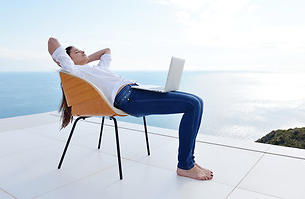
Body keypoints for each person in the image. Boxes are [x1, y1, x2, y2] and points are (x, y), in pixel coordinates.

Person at [48, 37, 213, 180]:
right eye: (77, 51)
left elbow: (106, 50)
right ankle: (185, 165)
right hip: (128, 98)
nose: (82, 51)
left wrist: (84, 58)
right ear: (66, 59)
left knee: (197, 101)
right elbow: (52, 41)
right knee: (193, 105)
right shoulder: (73, 70)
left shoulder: (98, 69)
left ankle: (189, 161)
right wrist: (66, 60)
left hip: (137, 91)